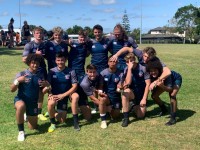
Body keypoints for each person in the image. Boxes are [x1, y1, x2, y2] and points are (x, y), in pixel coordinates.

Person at [10, 54, 48, 141]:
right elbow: (12, 89)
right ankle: (21, 132)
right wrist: (18, 81)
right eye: (33, 63)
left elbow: (42, 92)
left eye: (37, 63)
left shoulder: (40, 76)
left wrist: (48, 86)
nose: (35, 65)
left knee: (33, 127)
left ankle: (27, 115)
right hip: (21, 99)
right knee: (21, 106)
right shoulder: (22, 74)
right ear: (29, 63)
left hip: (33, 103)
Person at [44, 52, 80, 132]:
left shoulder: (71, 71)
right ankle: (52, 123)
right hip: (56, 95)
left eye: (62, 60)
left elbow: (74, 86)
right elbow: (48, 85)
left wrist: (63, 95)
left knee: (75, 96)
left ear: (66, 60)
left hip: (67, 94)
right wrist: (50, 94)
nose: (60, 62)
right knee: (50, 103)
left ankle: (75, 122)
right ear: (55, 61)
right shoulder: (51, 71)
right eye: (58, 60)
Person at [146, 57, 182, 125]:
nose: (153, 72)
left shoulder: (166, 75)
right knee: (154, 96)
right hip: (162, 83)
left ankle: (173, 118)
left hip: (175, 79)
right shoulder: (149, 74)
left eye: (155, 70)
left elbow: (169, 89)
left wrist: (162, 86)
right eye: (151, 71)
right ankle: (164, 109)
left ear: (159, 69)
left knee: (172, 95)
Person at [22, 26, 48, 121]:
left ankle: (39, 112)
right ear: (34, 34)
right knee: (31, 92)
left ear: (43, 34)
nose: (39, 35)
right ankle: (27, 111)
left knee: (41, 91)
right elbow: (24, 59)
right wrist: (35, 55)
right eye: (37, 33)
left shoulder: (45, 45)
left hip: (42, 71)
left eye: (41, 33)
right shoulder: (29, 45)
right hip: (32, 72)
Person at [121, 53, 151, 126]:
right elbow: (128, 82)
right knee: (125, 92)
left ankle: (132, 106)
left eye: (131, 61)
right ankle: (126, 118)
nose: (129, 63)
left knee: (140, 116)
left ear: (134, 60)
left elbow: (148, 84)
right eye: (127, 62)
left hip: (141, 94)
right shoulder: (126, 69)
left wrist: (144, 99)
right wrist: (129, 69)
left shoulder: (143, 69)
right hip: (132, 94)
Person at [67, 29, 92, 120]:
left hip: (81, 71)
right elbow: (63, 40)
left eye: (84, 38)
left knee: (82, 87)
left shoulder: (86, 45)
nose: (82, 39)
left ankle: (84, 104)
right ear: (78, 37)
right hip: (71, 71)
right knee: (73, 89)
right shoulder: (72, 44)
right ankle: (74, 106)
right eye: (81, 37)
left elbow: (88, 53)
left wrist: (88, 40)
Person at [80, 64, 109, 129]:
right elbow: (93, 99)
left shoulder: (99, 75)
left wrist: (100, 90)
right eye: (90, 72)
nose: (92, 74)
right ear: (86, 72)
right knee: (88, 117)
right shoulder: (84, 83)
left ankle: (102, 118)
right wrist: (105, 107)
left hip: (92, 88)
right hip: (81, 94)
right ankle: (79, 108)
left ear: (96, 71)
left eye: (94, 72)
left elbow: (100, 85)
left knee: (102, 98)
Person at [100, 56, 124, 125]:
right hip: (106, 96)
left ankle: (108, 110)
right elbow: (100, 86)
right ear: (108, 63)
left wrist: (120, 87)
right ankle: (103, 121)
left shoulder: (121, 73)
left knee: (115, 116)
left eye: (115, 61)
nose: (113, 63)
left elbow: (121, 84)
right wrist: (101, 92)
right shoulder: (103, 73)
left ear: (117, 63)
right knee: (102, 99)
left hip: (115, 97)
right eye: (111, 61)